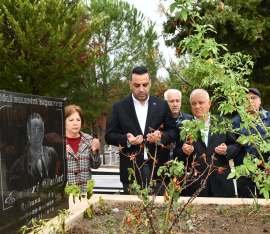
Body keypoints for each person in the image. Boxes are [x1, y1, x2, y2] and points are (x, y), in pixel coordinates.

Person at [105, 66, 178, 195]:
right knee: (134, 212)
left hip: (159, 170)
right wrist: (127, 140)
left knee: (159, 211)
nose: (141, 89)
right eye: (137, 85)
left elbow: (173, 132)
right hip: (131, 170)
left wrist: (160, 137)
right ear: (130, 84)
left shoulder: (162, 105)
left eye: (145, 85)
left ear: (150, 83)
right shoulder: (119, 106)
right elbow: (109, 135)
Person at [174, 89, 240, 197]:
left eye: (201, 102)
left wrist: (226, 150)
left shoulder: (223, 123)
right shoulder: (183, 126)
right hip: (194, 185)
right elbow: (177, 154)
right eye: (193, 103)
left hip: (221, 184)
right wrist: (184, 151)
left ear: (209, 103)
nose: (197, 106)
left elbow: (236, 147)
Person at [232, 88, 270, 198]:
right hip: (244, 170)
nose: (250, 101)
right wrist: (238, 144)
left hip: (266, 170)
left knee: (266, 203)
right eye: (245, 99)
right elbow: (231, 147)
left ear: (260, 100)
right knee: (245, 205)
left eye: (253, 98)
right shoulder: (235, 122)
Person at [9, 113, 60, 191]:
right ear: (28, 134)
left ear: (43, 133)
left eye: (39, 130)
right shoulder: (18, 166)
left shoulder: (52, 152)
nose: (37, 134)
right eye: (33, 130)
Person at [65, 105, 101, 194]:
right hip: (65, 195)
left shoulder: (88, 139)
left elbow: (95, 165)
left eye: (78, 120)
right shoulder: (57, 141)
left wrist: (95, 151)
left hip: (84, 193)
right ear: (63, 121)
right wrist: (60, 156)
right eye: (71, 120)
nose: (75, 123)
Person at [164, 89, 192, 160]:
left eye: (177, 101)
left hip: (183, 165)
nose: (175, 104)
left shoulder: (190, 120)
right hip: (163, 165)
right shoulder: (159, 120)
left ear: (181, 102)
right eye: (171, 101)